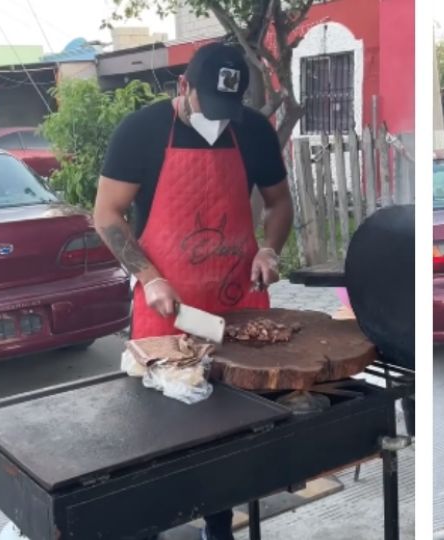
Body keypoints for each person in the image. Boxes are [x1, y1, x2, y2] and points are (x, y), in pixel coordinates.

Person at [93, 42, 293, 540]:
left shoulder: (252, 132)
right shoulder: (141, 131)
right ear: (183, 87)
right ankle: (150, 524)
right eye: (208, 106)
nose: (218, 120)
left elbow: (279, 201)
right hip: (166, 305)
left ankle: (219, 524)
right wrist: (149, 276)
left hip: (235, 302)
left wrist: (269, 248)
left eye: (229, 110)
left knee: (231, 426)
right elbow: (106, 215)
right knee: (161, 429)